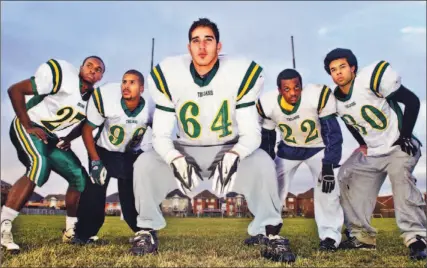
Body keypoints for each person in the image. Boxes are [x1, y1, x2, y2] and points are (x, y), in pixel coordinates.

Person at [129, 18, 296, 263]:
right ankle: (146, 230)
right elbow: (161, 135)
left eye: (209, 40)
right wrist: (174, 158)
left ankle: (270, 234)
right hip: (185, 147)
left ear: (219, 46)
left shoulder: (239, 72)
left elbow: (251, 133)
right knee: (144, 163)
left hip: (227, 145)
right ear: (189, 48)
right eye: (196, 40)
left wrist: (235, 154)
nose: (202, 46)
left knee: (262, 162)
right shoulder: (169, 73)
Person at [324, 48, 426, 260]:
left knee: (401, 177)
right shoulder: (335, 99)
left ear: (353, 67)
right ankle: (361, 237)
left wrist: (405, 134)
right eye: (333, 70)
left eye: (342, 67)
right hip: (373, 151)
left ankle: (417, 238)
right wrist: (362, 144)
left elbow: (412, 101)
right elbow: (350, 122)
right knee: (346, 174)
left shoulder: (370, 79)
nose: (338, 73)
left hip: (399, 144)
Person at [1, 56, 105, 252]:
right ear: (80, 67)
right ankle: (4, 225)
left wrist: (68, 139)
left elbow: (85, 125)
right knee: (40, 164)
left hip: (51, 136)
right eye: (89, 65)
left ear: (100, 77)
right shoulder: (64, 74)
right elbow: (15, 89)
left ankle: (70, 231)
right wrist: (27, 125)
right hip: (29, 125)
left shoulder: (93, 100)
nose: (93, 70)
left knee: (79, 176)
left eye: (98, 69)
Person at [247, 68, 343, 251]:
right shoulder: (268, 104)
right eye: (287, 89)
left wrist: (329, 164)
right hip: (289, 149)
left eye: (296, 87)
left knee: (328, 187)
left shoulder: (317, 95)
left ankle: (330, 236)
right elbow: (267, 138)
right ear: (279, 90)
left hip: (317, 148)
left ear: (302, 86)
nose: (292, 93)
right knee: (269, 186)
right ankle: (261, 230)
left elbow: (332, 132)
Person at [72, 69, 153, 244]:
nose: (126, 86)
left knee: (134, 195)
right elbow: (87, 129)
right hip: (104, 152)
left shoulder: (152, 105)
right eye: (124, 81)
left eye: (132, 82)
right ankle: (84, 234)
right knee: (94, 193)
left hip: (130, 155)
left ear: (142, 88)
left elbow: (161, 132)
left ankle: (143, 233)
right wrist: (95, 161)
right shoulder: (108, 99)